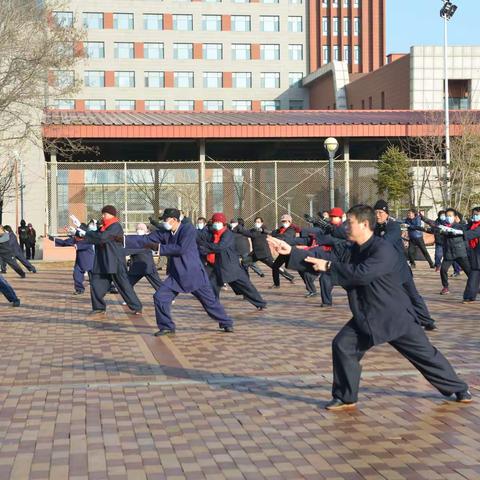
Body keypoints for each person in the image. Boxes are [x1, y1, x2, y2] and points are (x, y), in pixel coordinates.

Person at [269, 204, 472, 410]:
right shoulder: (352, 248)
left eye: (351, 222)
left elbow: (361, 273)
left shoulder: (382, 249)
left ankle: (458, 388)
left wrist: (330, 267)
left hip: (394, 316)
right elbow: (323, 257)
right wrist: (290, 252)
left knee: (425, 355)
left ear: (365, 224)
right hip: (366, 315)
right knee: (343, 345)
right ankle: (345, 397)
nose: (346, 226)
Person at [131, 208, 234, 336]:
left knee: (210, 303)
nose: (163, 222)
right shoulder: (165, 232)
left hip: (194, 274)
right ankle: (166, 326)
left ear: (174, 220)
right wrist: (122, 240)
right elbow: (146, 240)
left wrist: (158, 248)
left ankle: (226, 322)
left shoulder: (188, 229)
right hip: (176, 276)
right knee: (160, 297)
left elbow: (181, 249)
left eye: (165, 219)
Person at [372, 200, 437, 330]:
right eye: (376, 213)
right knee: (390, 298)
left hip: (400, 269)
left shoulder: (393, 226)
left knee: (413, 296)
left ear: (386, 213)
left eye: (380, 212)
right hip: (386, 272)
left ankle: (427, 321)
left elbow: (386, 242)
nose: (378, 215)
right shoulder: (374, 228)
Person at [79, 205, 143, 315]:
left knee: (124, 286)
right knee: (96, 285)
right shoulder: (103, 227)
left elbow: (102, 238)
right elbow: (95, 237)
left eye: (105, 214)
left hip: (114, 261)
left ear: (112, 215)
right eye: (102, 214)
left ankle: (136, 306)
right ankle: (99, 307)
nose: (103, 216)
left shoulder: (115, 226)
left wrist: (87, 233)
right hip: (102, 262)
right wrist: (79, 230)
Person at [198, 213, 267, 310]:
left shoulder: (228, 234)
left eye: (219, 222)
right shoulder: (212, 233)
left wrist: (205, 246)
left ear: (223, 223)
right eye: (215, 222)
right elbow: (200, 237)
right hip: (217, 266)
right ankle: (213, 305)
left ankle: (260, 303)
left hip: (230, 266)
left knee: (246, 286)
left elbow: (220, 247)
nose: (216, 224)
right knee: (212, 285)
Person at [236, 217, 292, 282]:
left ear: (262, 223)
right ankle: (246, 280)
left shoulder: (263, 229)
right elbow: (245, 232)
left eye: (259, 222)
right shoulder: (253, 230)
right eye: (256, 222)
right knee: (244, 262)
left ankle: (290, 277)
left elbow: (267, 232)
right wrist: (241, 225)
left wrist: (240, 227)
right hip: (255, 254)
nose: (257, 223)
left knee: (275, 267)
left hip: (265, 254)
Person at [49, 224, 95, 295]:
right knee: (76, 275)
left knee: (96, 278)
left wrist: (77, 245)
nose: (76, 236)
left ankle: (107, 287)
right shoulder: (75, 238)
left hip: (90, 261)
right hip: (79, 261)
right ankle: (79, 289)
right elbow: (65, 242)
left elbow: (82, 245)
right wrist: (54, 239)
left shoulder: (88, 240)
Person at [438, 208, 471, 295]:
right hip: (449, 253)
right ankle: (445, 287)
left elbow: (467, 227)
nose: (448, 218)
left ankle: (476, 286)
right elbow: (434, 228)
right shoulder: (443, 226)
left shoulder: (459, 226)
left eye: (450, 216)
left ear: (455, 217)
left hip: (460, 253)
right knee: (443, 270)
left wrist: (465, 220)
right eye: (447, 216)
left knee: (469, 271)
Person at [124, 223, 163, 291]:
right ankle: (129, 300)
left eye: (141, 229)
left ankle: (167, 296)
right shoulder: (134, 240)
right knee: (127, 284)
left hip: (148, 267)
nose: (139, 230)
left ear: (146, 231)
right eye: (138, 229)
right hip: (136, 267)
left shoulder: (147, 239)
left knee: (158, 284)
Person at [270, 214, 297, 288]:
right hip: (283, 252)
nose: (283, 222)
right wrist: (264, 232)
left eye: (285, 221)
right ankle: (276, 284)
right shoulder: (281, 229)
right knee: (275, 266)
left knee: (300, 269)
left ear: (290, 221)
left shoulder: (291, 230)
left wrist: (276, 237)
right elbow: (272, 233)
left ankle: (311, 288)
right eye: (282, 221)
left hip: (290, 252)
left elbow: (285, 236)